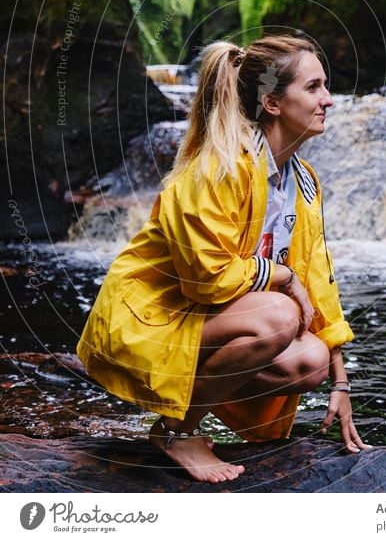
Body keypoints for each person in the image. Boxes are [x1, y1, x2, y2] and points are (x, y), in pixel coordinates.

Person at [76, 35, 370, 483]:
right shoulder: (219, 168)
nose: (328, 99)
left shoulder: (303, 181)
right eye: (313, 88)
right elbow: (207, 279)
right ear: (272, 103)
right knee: (279, 313)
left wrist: (341, 381)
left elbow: (318, 277)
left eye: (324, 86)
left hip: (207, 322)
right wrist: (284, 277)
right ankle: (177, 433)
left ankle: (184, 416)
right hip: (152, 319)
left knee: (309, 359)